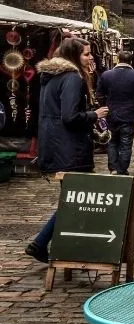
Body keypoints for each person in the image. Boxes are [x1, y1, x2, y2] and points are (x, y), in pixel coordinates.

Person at [25, 38, 109, 263]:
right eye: (86, 54)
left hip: (55, 146)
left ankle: (59, 245)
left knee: (74, 199)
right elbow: (69, 117)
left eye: (91, 54)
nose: (91, 58)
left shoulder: (50, 77)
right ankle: (42, 243)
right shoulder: (72, 78)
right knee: (77, 199)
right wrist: (95, 115)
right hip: (69, 149)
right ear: (73, 56)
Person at [96, 50, 134, 175]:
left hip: (111, 114)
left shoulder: (106, 75)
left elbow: (99, 95)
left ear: (118, 59)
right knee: (126, 143)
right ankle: (122, 169)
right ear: (130, 61)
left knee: (112, 142)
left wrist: (105, 106)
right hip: (129, 115)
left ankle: (113, 168)